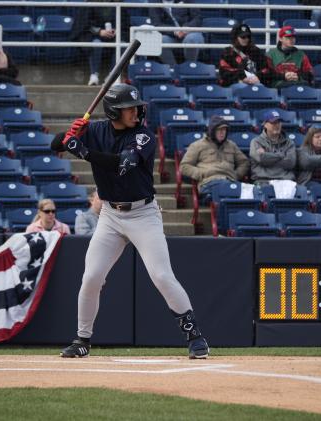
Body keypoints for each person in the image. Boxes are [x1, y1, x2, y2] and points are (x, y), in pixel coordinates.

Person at [50, 83, 209, 359]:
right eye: (128, 109)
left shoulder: (144, 136)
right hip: (110, 216)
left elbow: (123, 165)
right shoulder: (96, 130)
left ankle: (195, 337)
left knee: (161, 275)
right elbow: (56, 146)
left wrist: (83, 151)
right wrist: (68, 134)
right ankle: (82, 340)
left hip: (143, 215)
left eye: (136, 107)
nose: (136, 112)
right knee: (91, 277)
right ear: (113, 112)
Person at [179, 115, 250, 195]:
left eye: (224, 129)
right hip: (209, 182)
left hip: (230, 181)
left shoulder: (231, 145)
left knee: (252, 191)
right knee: (230, 191)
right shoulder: (197, 145)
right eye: (218, 130)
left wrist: (236, 175)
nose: (222, 132)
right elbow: (184, 166)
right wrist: (200, 173)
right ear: (212, 131)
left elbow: (244, 162)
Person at [71, 0, 119, 86]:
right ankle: (94, 75)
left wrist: (116, 30)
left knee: (122, 44)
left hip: (113, 36)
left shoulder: (118, 3)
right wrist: (99, 31)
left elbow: (124, 23)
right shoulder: (89, 4)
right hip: (92, 35)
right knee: (97, 43)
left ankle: (111, 76)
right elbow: (83, 24)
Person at [149, 0, 205, 66]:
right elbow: (157, 24)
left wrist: (187, 27)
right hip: (171, 36)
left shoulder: (187, 1)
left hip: (191, 32)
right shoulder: (155, 3)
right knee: (160, 40)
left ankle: (190, 67)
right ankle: (173, 69)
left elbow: (198, 18)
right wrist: (174, 31)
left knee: (191, 39)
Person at [250, 110, 297, 185]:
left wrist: (268, 156)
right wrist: (281, 155)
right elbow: (261, 158)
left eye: (279, 122)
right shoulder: (256, 142)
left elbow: (290, 163)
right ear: (265, 124)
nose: (277, 125)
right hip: (263, 181)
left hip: (286, 182)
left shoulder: (289, 143)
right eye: (273, 123)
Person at [218, 23, 268, 89]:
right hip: (234, 83)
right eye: (243, 37)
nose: (246, 39)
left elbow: (265, 68)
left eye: (248, 37)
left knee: (260, 87)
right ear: (235, 37)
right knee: (244, 87)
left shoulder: (255, 51)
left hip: (254, 82)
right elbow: (225, 73)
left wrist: (257, 76)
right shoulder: (228, 53)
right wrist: (242, 78)